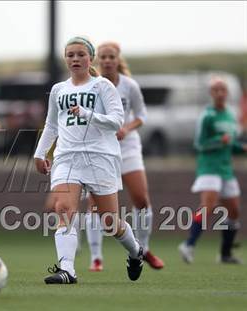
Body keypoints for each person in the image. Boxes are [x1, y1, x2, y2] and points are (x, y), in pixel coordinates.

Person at [34, 36, 143, 285]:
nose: (75, 59)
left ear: (90, 58)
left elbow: (117, 121)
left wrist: (87, 114)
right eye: (70, 54)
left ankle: (135, 251)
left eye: (80, 54)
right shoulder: (59, 90)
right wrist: (40, 153)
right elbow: (51, 125)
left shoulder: (103, 86)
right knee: (64, 209)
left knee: (109, 222)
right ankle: (67, 270)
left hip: (101, 157)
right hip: (67, 157)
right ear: (65, 58)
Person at [84, 42, 164, 272]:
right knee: (95, 205)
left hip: (127, 147)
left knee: (141, 199)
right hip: (100, 149)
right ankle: (96, 257)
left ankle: (144, 249)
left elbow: (141, 115)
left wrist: (126, 129)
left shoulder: (129, 85)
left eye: (112, 57)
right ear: (97, 60)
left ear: (118, 60)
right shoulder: (92, 86)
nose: (108, 60)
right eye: (104, 57)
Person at [178, 77, 246, 264]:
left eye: (222, 89)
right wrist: (218, 141)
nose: (219, 93)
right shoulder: (207, 115)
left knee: (233, 211)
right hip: (209, 168)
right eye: (215, 90)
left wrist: (241, 148)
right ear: (211, 93)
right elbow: (199, 144)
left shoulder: (231, 115)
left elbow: (230, 143)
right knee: (208, 205)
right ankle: (188, 244)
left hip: (226, 169)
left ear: (227, 93)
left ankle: (225, 254)